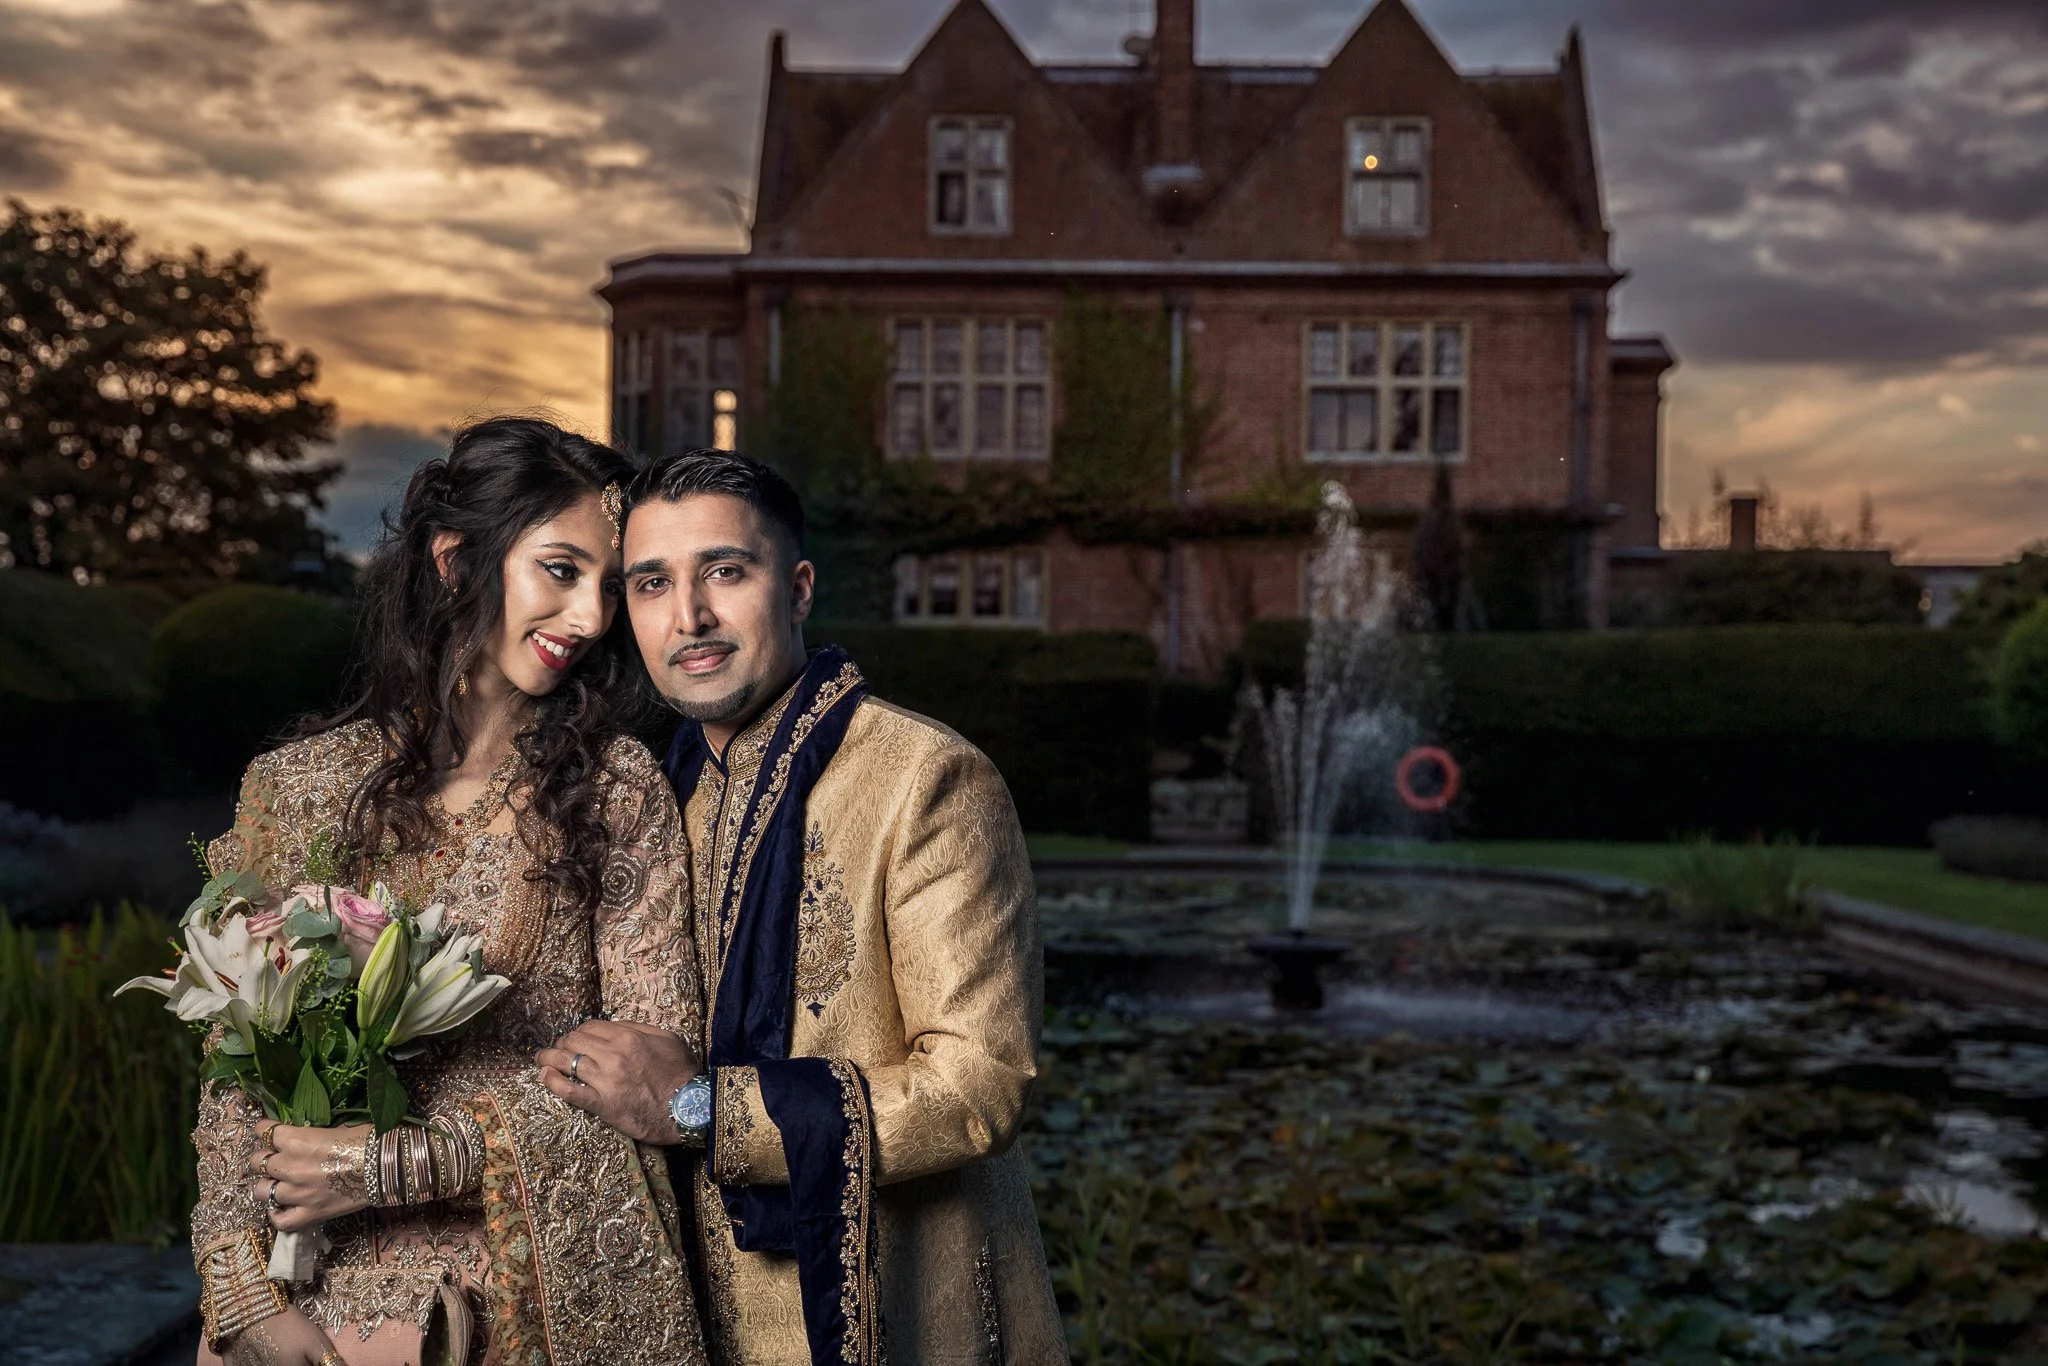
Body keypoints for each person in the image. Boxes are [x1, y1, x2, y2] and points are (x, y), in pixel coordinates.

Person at [189, 418, 708, 1366]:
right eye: (560, 570)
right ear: (455, 557)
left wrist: (388, 1166)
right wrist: (239, 1288)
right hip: (289, 1302)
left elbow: (650, 1077)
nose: (590, 618)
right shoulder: (297, 788)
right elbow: (233, 1063)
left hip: (507, 1303)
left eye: (608, 586)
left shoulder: (615, 791)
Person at [536, 450, 1066, 1365]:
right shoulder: (655, 800)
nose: (690, 617)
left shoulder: (925, 779)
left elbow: (983, 1082)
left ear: (800, 587)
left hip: (904, 1315)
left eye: (726, 572)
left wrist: (703, 1109)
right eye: (652, 583)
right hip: (705, 1320)